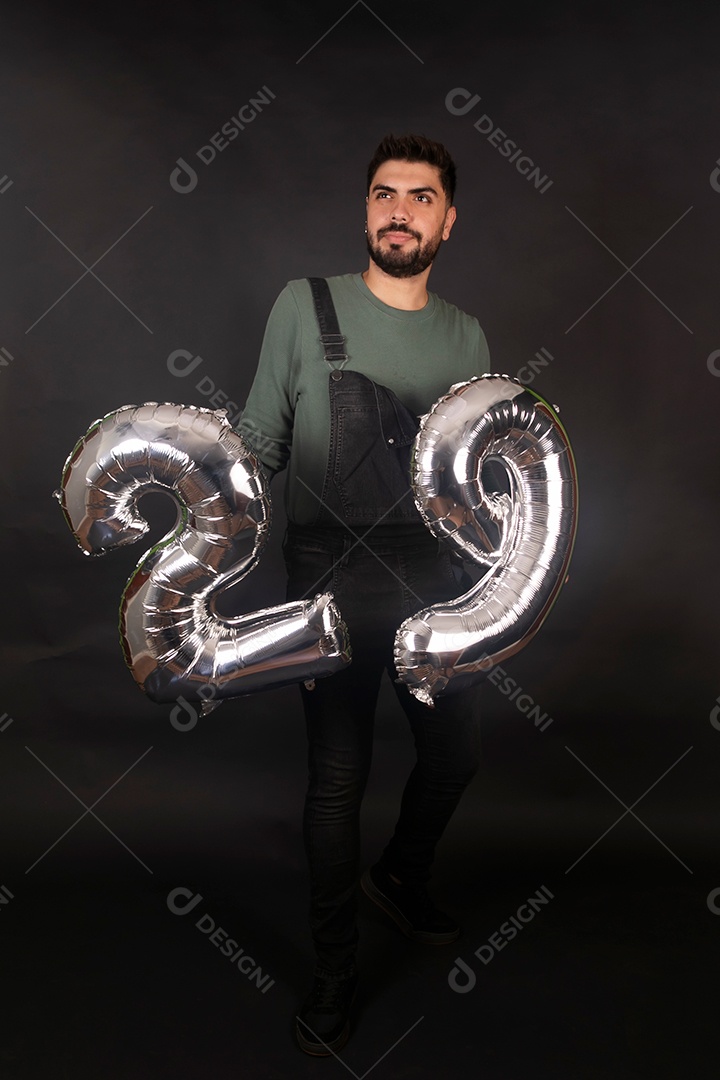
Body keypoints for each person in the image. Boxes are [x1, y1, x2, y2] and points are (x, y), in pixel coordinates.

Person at [238, 134, 490, 1056]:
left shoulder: (466, 334)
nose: (399, 210)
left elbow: (474, 477)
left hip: (436, 580)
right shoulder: (304, 309)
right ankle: (337, 973)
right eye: (385, 193)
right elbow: (259, 441)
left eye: (421, 198)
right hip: (330, 580)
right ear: (367, 210)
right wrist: (201, 531)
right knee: (337, 780)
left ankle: (402, 875)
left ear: (447, 220)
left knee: (455, 757)